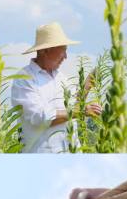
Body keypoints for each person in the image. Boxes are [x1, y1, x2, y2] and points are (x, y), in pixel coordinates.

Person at [11, 22, 102, 153]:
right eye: (63, 50)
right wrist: (82, 111)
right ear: (44, 50)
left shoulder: (61, 78)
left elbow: (72, 106)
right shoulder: (25, 79)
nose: (65, 56)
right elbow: (39, 117)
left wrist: (87, 85)